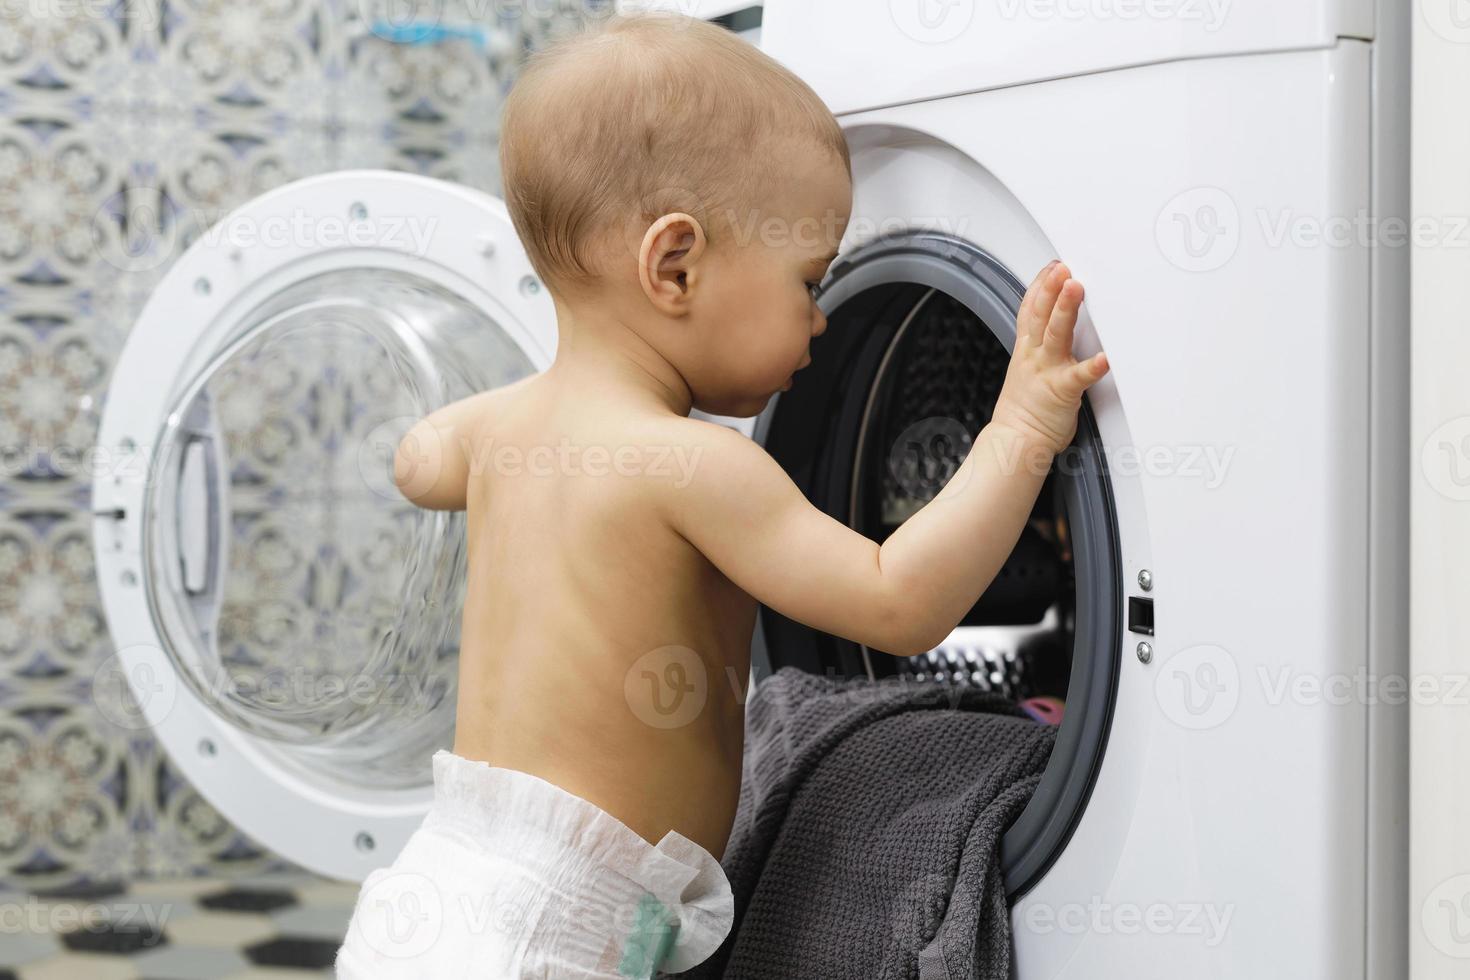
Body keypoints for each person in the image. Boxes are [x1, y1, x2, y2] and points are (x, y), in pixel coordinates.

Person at [336, 10, 1109, 978]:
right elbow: (899, 600)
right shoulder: (694, 464)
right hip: (554, 934)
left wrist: (507, 415)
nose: (821, 319)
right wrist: (1020, 430)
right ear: (675, 266)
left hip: (444, 883)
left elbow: (418, 460)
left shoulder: (506, 433)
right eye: (806, 278)